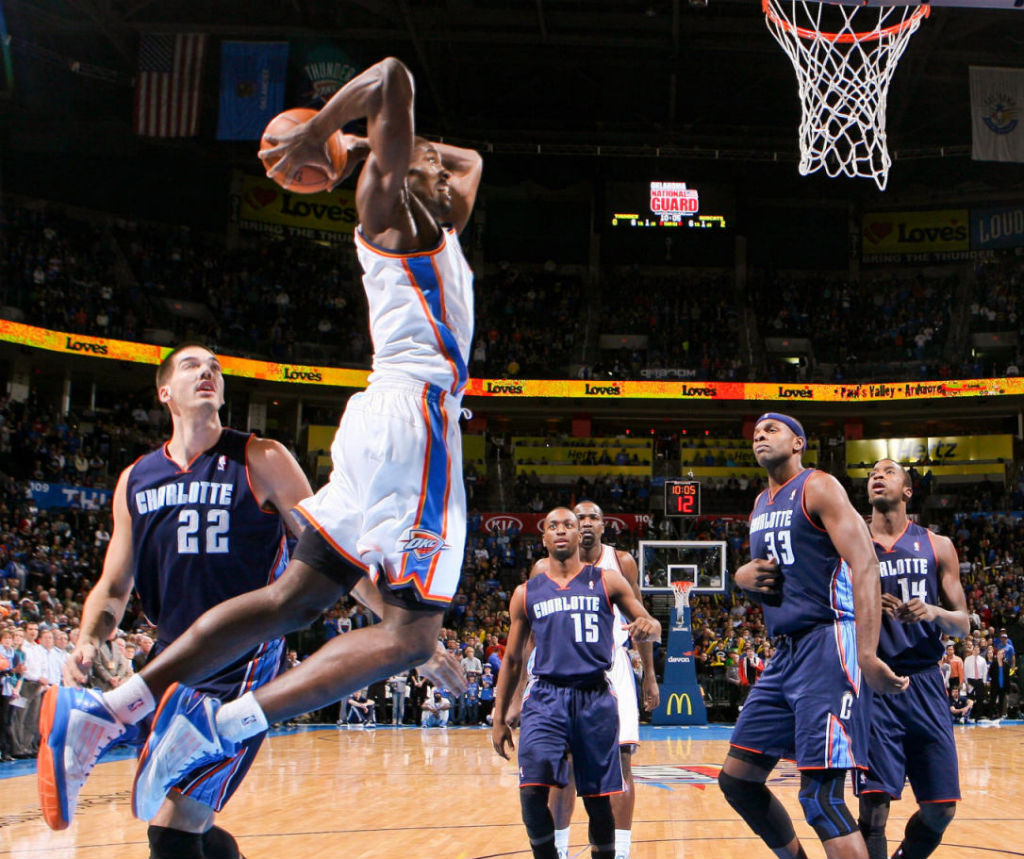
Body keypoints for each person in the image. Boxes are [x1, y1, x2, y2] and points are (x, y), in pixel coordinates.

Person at [39, 55, 478, 830]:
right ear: (396, 167)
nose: (445, 170)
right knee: (412, 637)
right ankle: (224, 722)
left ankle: (108, 709)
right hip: (416, 421)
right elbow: (395, 76)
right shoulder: (387, 207)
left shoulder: (428, 212)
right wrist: (321, 132)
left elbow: (470, 162)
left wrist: (369, 143)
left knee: (291, 600)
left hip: (382, 418)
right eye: (425, 161)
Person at [37, 343, 331, 859]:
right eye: (192, 365)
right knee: (178, 824)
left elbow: (331, 544)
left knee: (175, 828)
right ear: (164, 392)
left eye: (216, 366)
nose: (208, 372)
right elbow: (113, 585)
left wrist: (396, 622)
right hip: (170, 660)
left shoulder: (261, 457)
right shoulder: (136, 479)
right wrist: (87, 638)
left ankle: (95, 723)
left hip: (244, 658)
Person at [723, 414, 907, 859]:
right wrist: (739, 575)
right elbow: (766, 575)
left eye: (772, 430)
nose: (760, 437)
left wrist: (866, 653)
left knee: (821, 799)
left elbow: (865, 563)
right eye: (756, 433)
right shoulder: (760, 503)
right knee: (738, 780)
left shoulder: (819, 486)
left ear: (798, 442)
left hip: (828, 643)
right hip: (784, 653)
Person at [492, 507, 661, 859]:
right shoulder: (527, 591)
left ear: (581, 532)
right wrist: (501, 714)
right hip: (546, 695)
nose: (564, 530)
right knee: (532, 787)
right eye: (554, 526)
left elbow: (648, 622)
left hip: (595, 692)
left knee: (599, 799)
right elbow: (513, 657)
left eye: (569, 524)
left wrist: (651, 629)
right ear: (544, 538)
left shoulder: (609, 578)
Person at [854, 459, 969, 859]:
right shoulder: (848, 546)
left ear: (907, 491)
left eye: (888, 471)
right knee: (875, 802)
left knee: (941, 807)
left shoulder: (938, 546)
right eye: (872, 474)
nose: (877, 476)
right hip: (874, 680)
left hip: (924, 681)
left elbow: (963, 625)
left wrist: (933, 611)